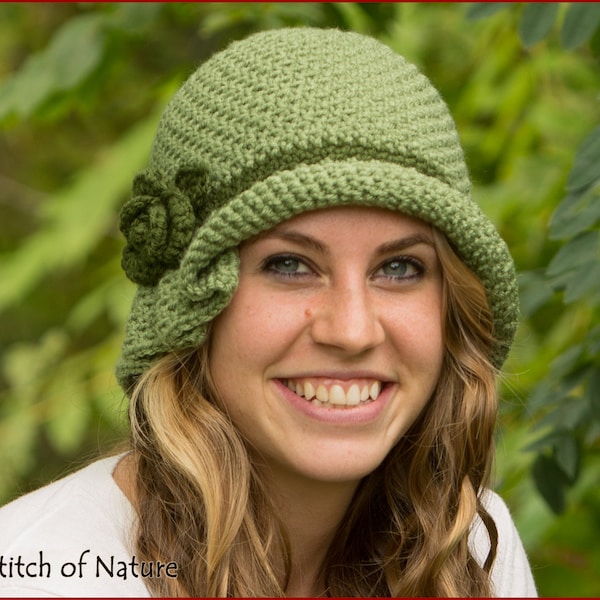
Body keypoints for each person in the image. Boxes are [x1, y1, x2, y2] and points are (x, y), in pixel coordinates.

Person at [0, 28, 537, 597]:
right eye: (289, 264)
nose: (352, 330)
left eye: (400, 268)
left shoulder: (469, 549)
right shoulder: (43, 571)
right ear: (189, 304)